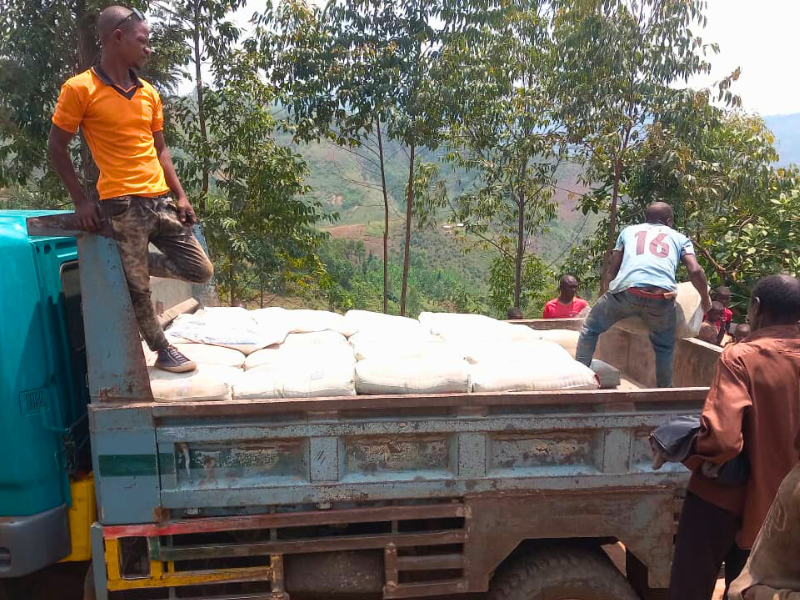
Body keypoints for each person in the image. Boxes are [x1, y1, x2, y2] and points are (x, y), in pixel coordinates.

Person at [48, 6, 213, 373]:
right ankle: (163, 350)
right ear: (117, 38)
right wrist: (80, 202)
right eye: (143, 40)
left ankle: (131, 263)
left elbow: (161, 149)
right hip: (122, 203)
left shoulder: (149, 93)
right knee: (139, 290)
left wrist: (181, 195)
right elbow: (56, 148)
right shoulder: (80, 89)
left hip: (160, 200)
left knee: (200, 269)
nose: (148, 48)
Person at [669, 274, 800, 600]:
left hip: (723, 500)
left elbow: (723, 442)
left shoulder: (740, 356)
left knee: (691, 586)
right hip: (782, 510)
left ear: (757, 308)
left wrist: (687, 447)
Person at [575, 202, 712, 388]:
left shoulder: (628, 232)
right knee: (664, 346)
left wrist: (607, 296)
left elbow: (612, 269)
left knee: (590, 329)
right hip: (660, 298)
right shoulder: (680, 238)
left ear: (646, 218)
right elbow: (695, 271)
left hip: (626, 293)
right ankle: (665, 392)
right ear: (669, 221)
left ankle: (580, 377)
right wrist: (705, 299)